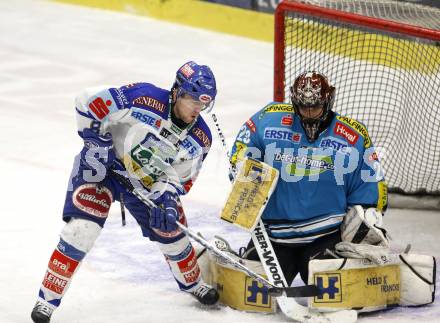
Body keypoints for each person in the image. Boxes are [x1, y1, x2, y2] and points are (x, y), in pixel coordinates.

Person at [31, 61, 219, 323]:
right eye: (194, 101)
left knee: (172, 231)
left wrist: (166, 197)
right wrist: (98, 141)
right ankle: (46, 300)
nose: (198, 109)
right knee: (82, 229)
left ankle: (193, 284)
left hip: (144, 183)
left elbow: (181, 178)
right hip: (102, 167)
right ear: (177, 92)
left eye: (204, 104)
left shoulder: (200, 138)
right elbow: (87, 102)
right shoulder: (143, 98)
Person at [230, 71, 389, 286]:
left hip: (324, 237)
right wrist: (240, 164)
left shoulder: (353, 135)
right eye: (304, 107)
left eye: (315, 106)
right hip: (273, 236)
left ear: (328, 100)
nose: (309, 113)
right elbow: (242, 147)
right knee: (250, 292)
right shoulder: (267, 119)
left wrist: (369, 215)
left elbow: (371, 183)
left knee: (328, 289)